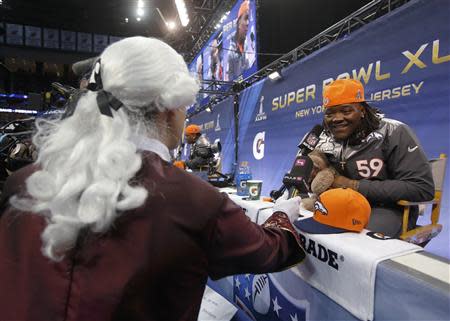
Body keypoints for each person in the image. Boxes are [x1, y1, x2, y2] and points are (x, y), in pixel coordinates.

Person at [0, 36, 305, 321]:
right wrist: (282, 217)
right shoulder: (194, 201)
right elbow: (267, 251)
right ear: (169, 109)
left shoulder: (22, 183)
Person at [315, 78, 434, 237]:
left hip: (388, 208)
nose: (336, 118)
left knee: (352, 242)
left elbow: (422, 188)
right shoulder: (324, 137)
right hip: (340, 205)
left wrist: (354, 185)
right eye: (329, 113)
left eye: (346, 110)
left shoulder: (393, 131)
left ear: (362, 110)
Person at [227, 0, 250, 81]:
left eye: (249, 19)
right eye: (246, 18)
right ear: (239, 22)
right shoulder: (230, 53)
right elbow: (230, 77)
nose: (248, 23)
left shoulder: (248, 43)